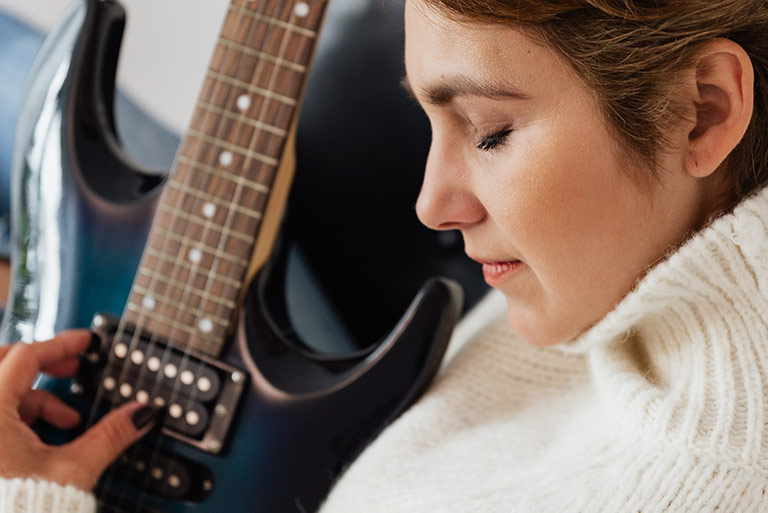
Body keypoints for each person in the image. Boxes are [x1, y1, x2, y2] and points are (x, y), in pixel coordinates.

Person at [3, 0, 768, 511]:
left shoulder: (685, 484)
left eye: (489, 130)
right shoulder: (608, 277)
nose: (431, 204)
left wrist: (30, 498)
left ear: (703, 111)